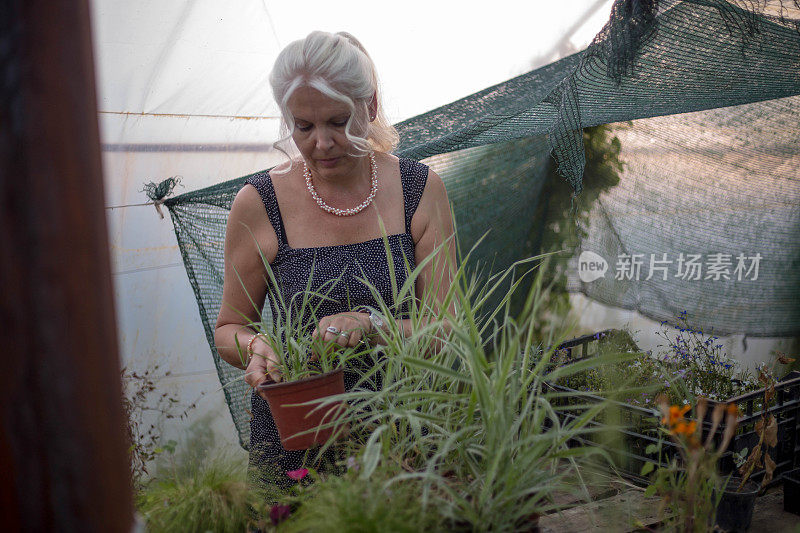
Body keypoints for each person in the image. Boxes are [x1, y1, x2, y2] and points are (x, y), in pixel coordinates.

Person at [214, 30, 455, 488]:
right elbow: (229, 328)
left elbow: (447, 328)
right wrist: (257, 348)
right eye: (303, 126)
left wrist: (376, 326)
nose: (322, 142)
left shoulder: (420, 191)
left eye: (339, 122)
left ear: (372, 106)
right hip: (296, 440)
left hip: (403, 433)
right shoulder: (258, 202)